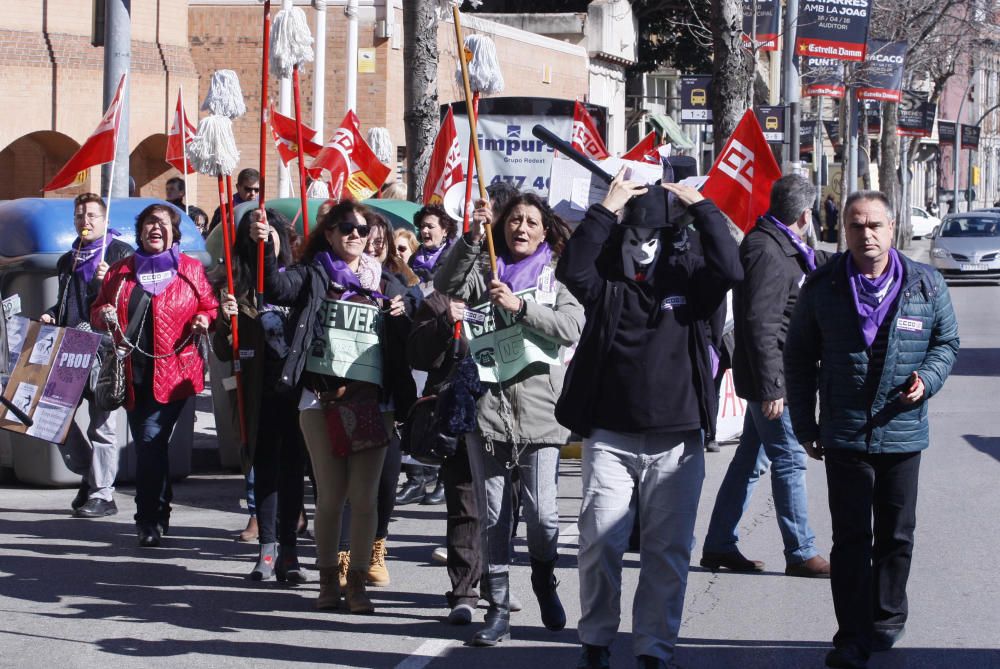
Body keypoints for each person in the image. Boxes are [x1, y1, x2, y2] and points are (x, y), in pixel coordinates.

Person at [556, 171, 742, 669]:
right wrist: (606, 209)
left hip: (677, 443)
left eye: (652, 240)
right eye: (634, 239)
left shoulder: (690, 281)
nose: (642, 250)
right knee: (600, 543)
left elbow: (731, 268)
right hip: (611, 437)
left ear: (668, 242)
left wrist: (702, 208)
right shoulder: (605, 284)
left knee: (667, 552)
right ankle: (596, 639)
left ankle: (654, 648)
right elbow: (571, 269)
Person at [784, 191, 959, 669]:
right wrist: (805, 424)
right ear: (845, 230)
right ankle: (851, 637)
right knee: (852, 539)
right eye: (857, 226)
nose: (867, 235)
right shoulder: (821, 286)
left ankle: (886, 617)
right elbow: (798, 357)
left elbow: (947, 341)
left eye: (875, 225)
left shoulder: (925, 284)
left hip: (902, 431)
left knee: (897, 535)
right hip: (844, 433)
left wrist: (929, 379)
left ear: (892, 227)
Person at [435, 192, 584, 646]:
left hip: (540, 414)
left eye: (531, 222)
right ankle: (497, 607)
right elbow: (447, 284)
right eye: (514, 220)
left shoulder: (556, 278)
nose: (521, 228)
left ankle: (544, 577)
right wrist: (473, 237)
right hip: (488, 412)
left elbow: (572, 326)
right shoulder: (486, 270)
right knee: (494, 516)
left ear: (545, 231)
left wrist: (522, 308)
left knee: (543, 516)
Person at [252, 200, 412, 613]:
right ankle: (328, 580)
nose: (354, 235)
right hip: (320, 400)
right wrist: (265, 251)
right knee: (330, 496)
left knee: (365, 498)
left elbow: (417, 313)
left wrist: (403, 311)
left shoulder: (386, 282)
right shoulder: (312, 274)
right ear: (328, 234)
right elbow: (274, 289)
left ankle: (357, 582)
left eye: (361, 229)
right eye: (345, 228)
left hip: (373, 404)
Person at [701, 175, 831, 578]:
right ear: (806, 215)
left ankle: (720, 543)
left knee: (749, 463)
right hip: (773, 380)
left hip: (775, 375)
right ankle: (801, 552)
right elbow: (759, 324)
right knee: (790, 460)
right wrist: (774, 385)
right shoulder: (766, 251)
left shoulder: (782, 246)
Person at [91, 203, 218, 547]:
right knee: (154, 446)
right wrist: (103, 313)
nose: (156, 228)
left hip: (176, 372)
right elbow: (97, 311)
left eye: (163, 223)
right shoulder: (120, 271)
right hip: (131, 374)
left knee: (150, 441)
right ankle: (159, 509)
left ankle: (147, 519)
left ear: (174, 233)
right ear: (140, 231)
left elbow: (210, 305)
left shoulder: (189, 270)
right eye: (150, 223)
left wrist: (204, 319)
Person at [214, 208, 308, 581]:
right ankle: (266, 549)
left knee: (293, 474)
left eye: (271, 233)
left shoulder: (299, 279)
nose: (265, 239)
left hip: (297, 394)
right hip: (258, 395)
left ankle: (289, 550)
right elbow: (225, 352)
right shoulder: (234, 283)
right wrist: (226, 321)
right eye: (255, 234)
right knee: (265, 472)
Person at [333, 211, 420, 591]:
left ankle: (376, 549)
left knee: (385, 482)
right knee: (347, 486)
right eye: (365, 235)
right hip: (342, 397)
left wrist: (406, 313)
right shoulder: (334, 278)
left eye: (378, 236)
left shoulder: (398, 284)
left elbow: (418, 340)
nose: (373, 242)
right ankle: (342, 556)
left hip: (387, 398)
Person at [41, 193, 133, 518]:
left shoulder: (120, 254)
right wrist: (52, 315)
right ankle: (91, 475)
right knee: (51, 418)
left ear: (104, 219)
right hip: (70, 347)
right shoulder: (69, 259)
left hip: (104, 348)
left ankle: (103, 495)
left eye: (92, 215)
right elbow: (67, 303)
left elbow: (128, 305)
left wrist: (106, 283)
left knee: (102, 425)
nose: (86, 221)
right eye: (80, 215)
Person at [409, 204, 457, 285]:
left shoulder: (453, 258)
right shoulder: (414, 257)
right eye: (422, 226)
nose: (424, 231)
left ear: (445, 231)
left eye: (430, 226)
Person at [209, 168, 260, 234]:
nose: (253, 193)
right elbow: (212, 236)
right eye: (248, 189)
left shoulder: (264, 210)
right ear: (238, 187)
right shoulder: (224, 210)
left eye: (256, 190)